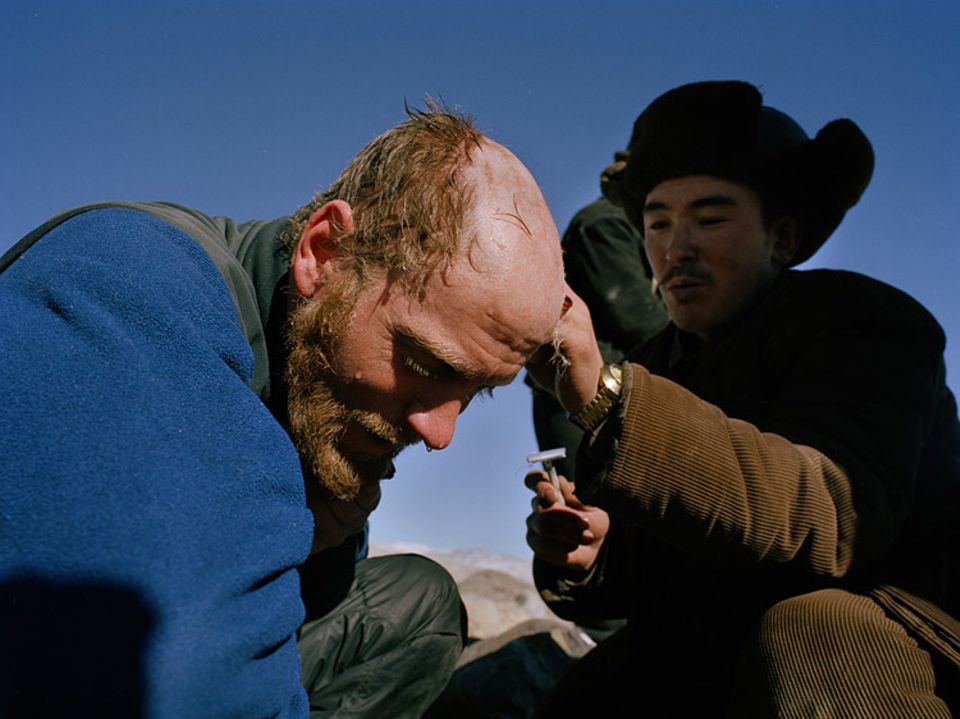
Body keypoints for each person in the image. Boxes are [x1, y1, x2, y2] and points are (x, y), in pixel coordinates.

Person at [0, 105, 566, 718]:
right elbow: (168, 681)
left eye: (476, 392)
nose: (440, 432)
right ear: (323, 253)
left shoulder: (314, 385)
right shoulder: (131, 283)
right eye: (428, 366)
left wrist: (321, 545)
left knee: (417, 606)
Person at [524, 81, 959, 716]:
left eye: (711, 218)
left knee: (817, 637)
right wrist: (590, 554)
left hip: (888, 633)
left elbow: (830, 515)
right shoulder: (656, 366)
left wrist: (608, 396)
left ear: (781, 239)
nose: (676, 248)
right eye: (658, 223)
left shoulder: (864, 325)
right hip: (721, 645)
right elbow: (653, 580)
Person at [530, 176, 668, 483]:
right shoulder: (605, 224)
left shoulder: (624, 225)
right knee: (592, 497)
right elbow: (638, 318)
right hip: (577, 395)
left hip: (608, 394)